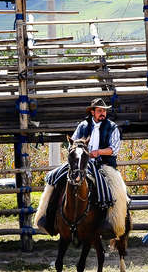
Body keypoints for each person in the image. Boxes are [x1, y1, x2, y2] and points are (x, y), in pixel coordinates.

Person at [35, 98, 128, 238]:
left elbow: (114, 149)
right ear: (92, 112)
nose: (103, 113)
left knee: (117, 188)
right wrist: (79, 153)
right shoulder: (83, 126)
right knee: (53, 176)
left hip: (104, 163)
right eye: (100, 111)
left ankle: (113, 223)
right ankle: (45, 218)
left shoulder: (112, 127)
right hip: (81, 162)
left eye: (104, 111)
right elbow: (72, 144)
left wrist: (98, 152)